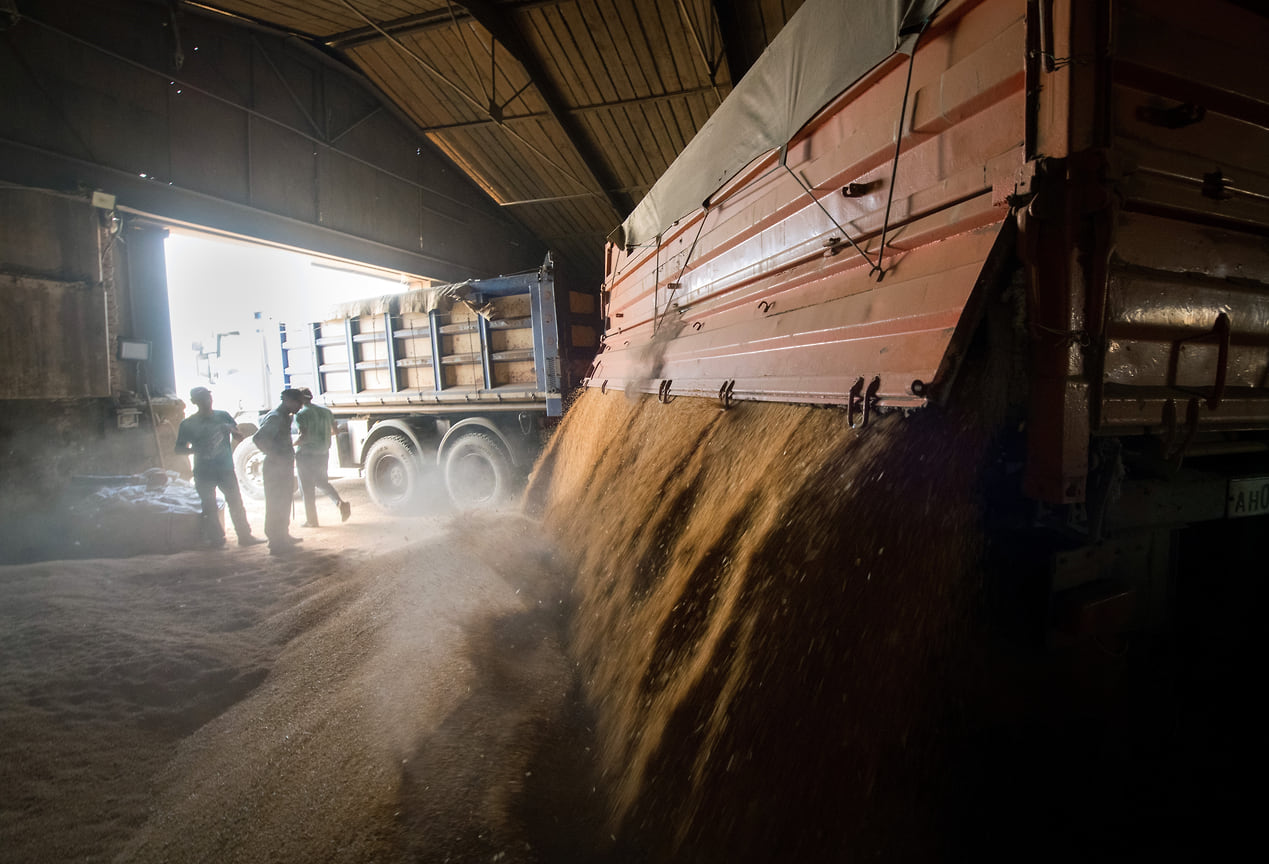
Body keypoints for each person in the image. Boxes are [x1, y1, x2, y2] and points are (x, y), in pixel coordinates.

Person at [174, 386, 265, 548]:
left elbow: (239, 436)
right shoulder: (188, 424)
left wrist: (233, 432)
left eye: (208, 397)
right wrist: (196, 449)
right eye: (203, 398)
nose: (207, 401)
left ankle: (244, 536)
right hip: (203, 471)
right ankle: (217, 540)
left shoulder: (223, 416)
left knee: (236, 502)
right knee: (209, 506)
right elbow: (179, 449)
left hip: (225, 469)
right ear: (195, 402)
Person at [252, 388, 305, 555]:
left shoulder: (285, 416)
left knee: (283, 502)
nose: (301, 406)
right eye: (299, 403)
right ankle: (275, 542)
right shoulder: (275, 417)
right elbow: (258, 439)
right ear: (288, 401)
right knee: (276, 504)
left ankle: (283, 535)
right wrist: (276, 457)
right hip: (275, 468)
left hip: (282, 467)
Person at [295, 387, 351, 527]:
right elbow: (335, 431)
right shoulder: (326, 412)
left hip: (306, 455)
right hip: (323, 453)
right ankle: (340, 503)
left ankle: (312, 520)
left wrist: (291, 445)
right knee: (321, 482)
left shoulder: (301, 415)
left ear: (300, 399)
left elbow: (303, 436)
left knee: (306, 487)